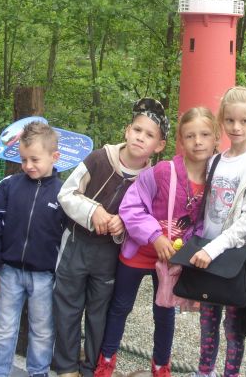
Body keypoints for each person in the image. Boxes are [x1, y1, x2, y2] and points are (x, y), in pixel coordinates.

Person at [94, 107, 219, 377]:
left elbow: (206, 223)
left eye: (205, 135)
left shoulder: (215, 182)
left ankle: (161, 365)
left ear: (215, 139)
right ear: (180, 140)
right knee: (120, 307)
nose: (198, 142)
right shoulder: (163, 172)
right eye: (190, 136)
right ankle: (106, 361)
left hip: (173, 260)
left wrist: (187, 249)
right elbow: (132, 206)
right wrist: (155, 236)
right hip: (140, 252)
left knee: (164, 311)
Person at [53, 98, 170, 377]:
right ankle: (66, 367)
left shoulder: (152, 178)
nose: (140, 138)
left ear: (159, 145)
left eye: (149, 135)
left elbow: (148, 218)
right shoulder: (98, 159)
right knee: (67, 307)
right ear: (127, 130)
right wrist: (92, 211)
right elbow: (66, 193)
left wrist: (125, 224)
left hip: (110, 254)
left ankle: (92, 368)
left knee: (99, 312)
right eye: (137, 130)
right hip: (76, 244)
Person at [188, 86, 246, 377]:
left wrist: (212, 248)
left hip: (236, 255)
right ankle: (204, 372)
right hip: (207, 249)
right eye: (230, 120)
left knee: (233, 324)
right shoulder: (216, 160)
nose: (236, 127)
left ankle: (231, 373)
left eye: (244, 121)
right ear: (222, 121)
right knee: (207, 321)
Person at [0, 121, 65, 377]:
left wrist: (63, 277)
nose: (28, 165)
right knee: (3, 327)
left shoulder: (64, 194)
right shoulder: (9, 185)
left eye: (35, 159)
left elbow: (68, 240)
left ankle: (38, 372)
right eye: (23, 159)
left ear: (54, 157)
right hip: (9, 271)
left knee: (43, 330)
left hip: (45, 276)